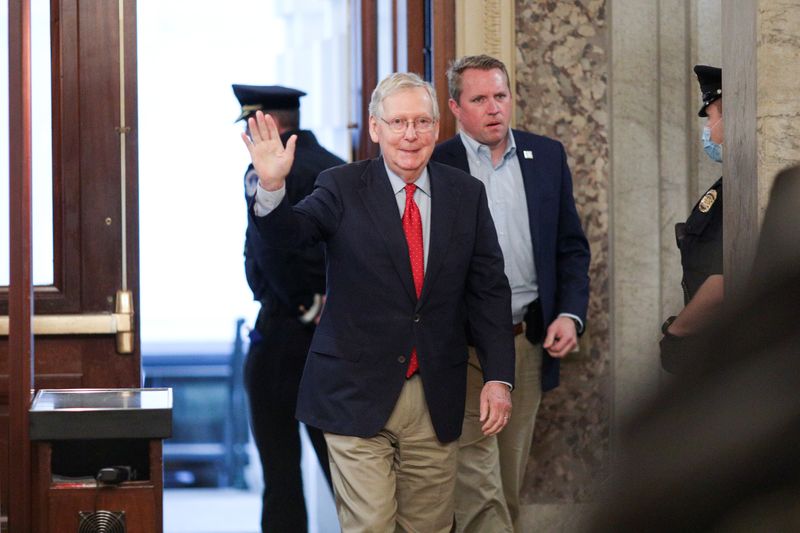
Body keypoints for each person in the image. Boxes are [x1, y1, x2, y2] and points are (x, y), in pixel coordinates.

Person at [242, 72, 516, 533]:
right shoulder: (340, 185)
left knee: (427, 527)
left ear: (436, 127)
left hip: (437, 393)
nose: (411, 134)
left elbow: (489, 290)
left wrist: (499, 378)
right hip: (355, 391)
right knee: (370, 524)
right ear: (375, 128)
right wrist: (271, 189)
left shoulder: (465, 193)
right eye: (398, 122)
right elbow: (290, 236)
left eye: (422, 122)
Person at [431, 54, 591, 532]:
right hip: (460, 349)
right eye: (479, 99)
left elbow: (570, 247)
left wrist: (569, 313)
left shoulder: (546, 156)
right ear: (456, 108)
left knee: (506, 483)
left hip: (524, 340)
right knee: (476, 489)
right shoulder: (437, 164)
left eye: (500, 96)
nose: (494, 107)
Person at [234, 84, 343, 533]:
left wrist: (304, 305)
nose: (248, 137)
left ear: (270, 125)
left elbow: (269, 250)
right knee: (349, 476)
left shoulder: (269, 171)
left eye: (251, 127)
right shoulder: (337, 166)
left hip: (286, 334)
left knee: (281, 476)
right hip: (333, 340)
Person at [659, 65, 724, 374]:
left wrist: (677, 333)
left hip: (718, 344)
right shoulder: (727, 184)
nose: (708, 130)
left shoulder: (736, 190)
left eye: (710, 117)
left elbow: (722, 278)